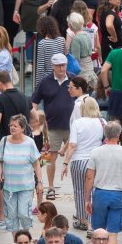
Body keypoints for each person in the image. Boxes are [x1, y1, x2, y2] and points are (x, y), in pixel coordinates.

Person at [85, 122, 122, 244]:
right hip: (118, 193)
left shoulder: (96, 152)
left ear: (105, 134)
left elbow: (90, 177)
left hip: (100, 193)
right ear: (119, 135)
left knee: (98, 231)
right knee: (113, 232)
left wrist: (87, 199)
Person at [31, 54, 74, 202]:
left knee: (75, 157)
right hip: (52, 127)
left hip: (72, 127)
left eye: (64, 65)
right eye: (59, 66)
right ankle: (50, 187)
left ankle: (77, 186)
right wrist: (35, 119)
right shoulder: (45, 82)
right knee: (50, 158)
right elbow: (34, 101)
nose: (62, 68)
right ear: (53, 66)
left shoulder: (73, 79)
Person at [61, 98, 104, 232]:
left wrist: (65, 162)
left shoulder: (78, 123)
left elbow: (73, 145)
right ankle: (93, 220)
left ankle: (82, 219)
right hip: (96, 161)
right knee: (94, 191)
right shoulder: (102, 122)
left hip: (79, 160)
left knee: (79, 191)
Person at [0, 114, 43, 233]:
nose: (12, 128)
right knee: (11, 215)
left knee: (23, 213)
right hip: (9, 186)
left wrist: (40, 182)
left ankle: (26, 238)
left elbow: (36, 163)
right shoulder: (4, 140)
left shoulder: (30, 142)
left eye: (15, 126)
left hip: (26, 185)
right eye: (10, 125)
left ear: (22, 128)